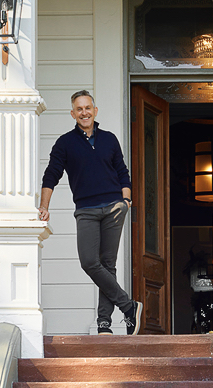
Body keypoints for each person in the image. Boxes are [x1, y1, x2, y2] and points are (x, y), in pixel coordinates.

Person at [38, 90, 142, 336]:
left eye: (88, 107)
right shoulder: (65, 143)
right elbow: (51, 175)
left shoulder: (109, 139)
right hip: (86, 210)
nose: (84, 112)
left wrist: (126, 200)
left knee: (107, 264)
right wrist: (44, 206)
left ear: (95, 111)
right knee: (89, 262)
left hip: (114, 206)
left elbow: (122, 171)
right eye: (79, 109)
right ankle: (128, 307)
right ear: (73, 114)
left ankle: (104, 324)